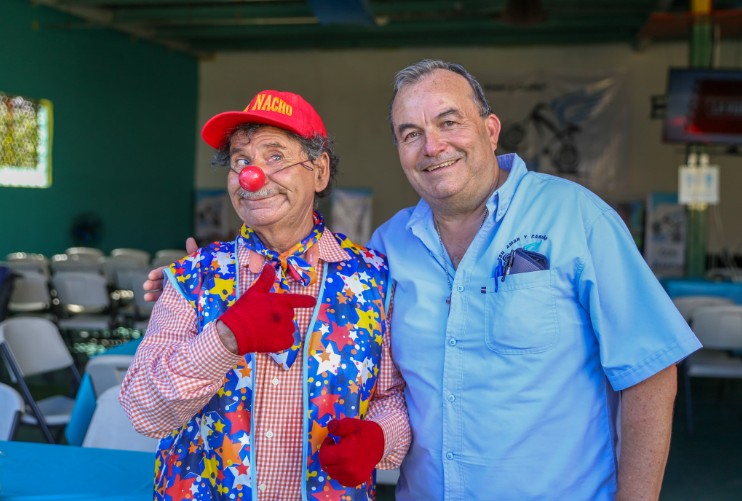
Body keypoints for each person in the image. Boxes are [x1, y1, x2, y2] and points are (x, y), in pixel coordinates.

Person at [145, 61, 701, 500]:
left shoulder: (574, 217)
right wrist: (208, 295)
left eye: (448, 122)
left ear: (490, 130)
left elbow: (650, 372)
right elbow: (396, 390)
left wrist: (377, 438)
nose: (432, 145)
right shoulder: (388, 249)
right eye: (410, 133)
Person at [120, 89, 409, 501]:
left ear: (320, 171)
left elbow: (393, 397)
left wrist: (380, 437)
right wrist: (224, 340)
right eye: (241, 161)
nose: (252, 176)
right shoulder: (193, 275)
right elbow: (143, 410)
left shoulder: (376, 280)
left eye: (276, 156)